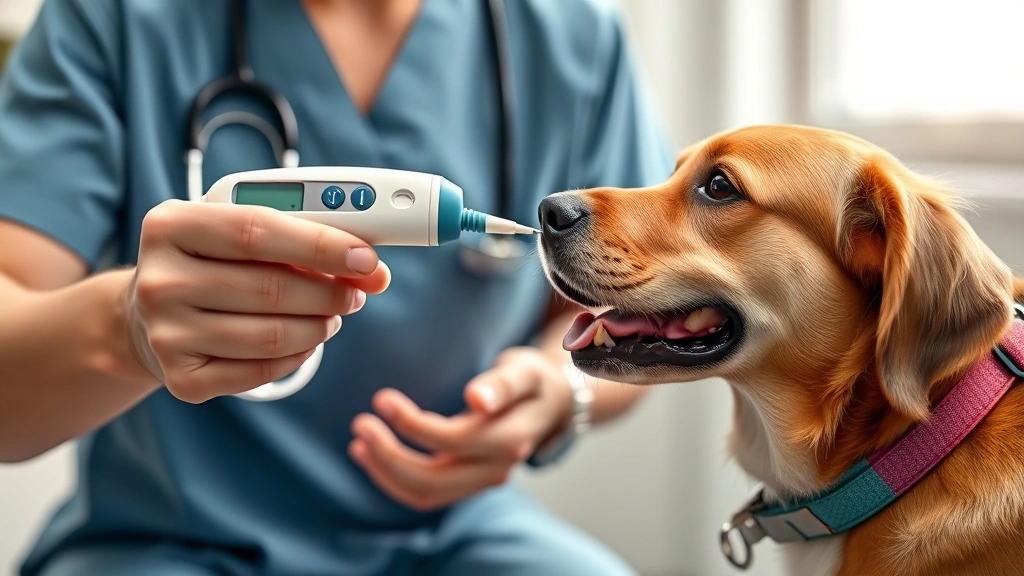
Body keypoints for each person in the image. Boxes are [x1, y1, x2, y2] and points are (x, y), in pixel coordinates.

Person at [0, 0, 674, 574]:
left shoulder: (569, 33)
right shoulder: (116, 19)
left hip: (454, 536)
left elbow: (634, 311)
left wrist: (561, 389)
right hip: (166, 539)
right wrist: (127, 326)